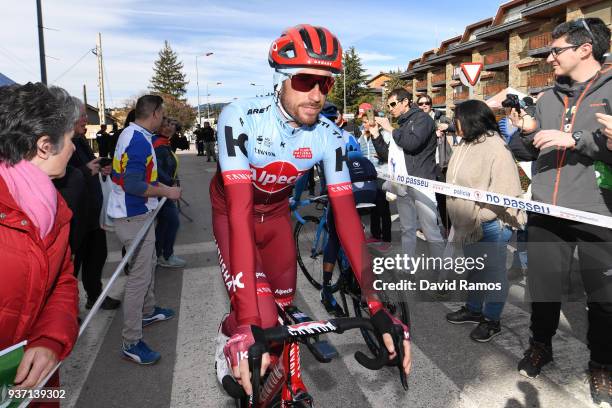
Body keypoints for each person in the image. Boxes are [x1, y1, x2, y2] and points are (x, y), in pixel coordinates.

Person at [211, 24, 411, 396]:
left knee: (285, 310)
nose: (317, 94)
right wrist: (247, 323)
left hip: (274, 218)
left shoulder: (329, 135)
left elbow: (348, 218)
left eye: (327, 83)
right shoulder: (240, 117)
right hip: (233, 216)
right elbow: (239, 213)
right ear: (281, 79)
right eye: (305, 80)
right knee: (262, 318)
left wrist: (375, 304)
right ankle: (228, 332)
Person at [510, 18, 612, 405]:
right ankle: (541, 345)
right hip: (545, 211)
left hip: (597, 211)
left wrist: (577, 139)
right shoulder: (547, 98)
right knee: (544, 287)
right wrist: (524, 132)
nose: (549, 57)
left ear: (585, 48)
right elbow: (527, 153)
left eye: (557, 50)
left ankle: (602, 363)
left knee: (603, 298)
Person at [0, 83, 79, 397]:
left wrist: (49, 340)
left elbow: (63, 280)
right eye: (72, 139)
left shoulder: (55, 208)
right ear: (45, 146)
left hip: (33, 383)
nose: (74, 148)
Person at [108, 95, 181, 365]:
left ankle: (148, 311)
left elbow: (122, 175)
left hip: (136, 214)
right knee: (138, 278)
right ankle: (131, 341)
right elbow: (134, 185)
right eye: (161, 114)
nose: (163, 119)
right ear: (154, 113)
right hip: (133, 216)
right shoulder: (138, 139)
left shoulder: (133, 133)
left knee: (147, 264)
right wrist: (167, 191)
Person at [444, 100, 525, 341]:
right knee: (476, 270)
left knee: (493, 273)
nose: (453, 123)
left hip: (489, 224)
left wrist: (481, 217)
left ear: (470, 119)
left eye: (457, 118)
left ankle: (492, 320)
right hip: (468, 223)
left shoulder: (495, 146)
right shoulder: (466, 143)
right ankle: (474, 309)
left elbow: (505, 191)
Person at [373, 88, 446, 280]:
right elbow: (387, 154)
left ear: (405, 102)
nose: (390, 109)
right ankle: (408, 269)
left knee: (431, 230)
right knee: (407, 229)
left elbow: (412, 144)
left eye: (393, 104)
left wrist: (390, 129)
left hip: (421, 182)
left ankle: (442, 274)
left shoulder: (422, 119)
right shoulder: (403, 123)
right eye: (388, 106)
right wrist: (376, 135)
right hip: (403, 183)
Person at [68, 98, 121, 310]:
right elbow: (56, 179)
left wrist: (100, 168)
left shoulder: (80, 141)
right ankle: (67, 311)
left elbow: (88, 166)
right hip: (73, 217)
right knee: (71, 267)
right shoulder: (59, 144)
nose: (85, 120)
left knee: (97, 256)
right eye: (82, 116)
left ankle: (95, 296)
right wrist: (84, 171)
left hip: (92, 213)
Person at [153, 117, 186, 268]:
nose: (171, 127)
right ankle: (166, 255)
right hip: (162, 190)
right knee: (172, 221)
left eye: (173, 124)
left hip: (163, 189)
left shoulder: (164, 142)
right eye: (168, 124)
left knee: (165, 224)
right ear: (160, 127)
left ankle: (160, 255)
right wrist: (170, 183)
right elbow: (157, 170)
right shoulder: (159, 144)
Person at [357, 103, 392, 244]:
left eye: (366, 122)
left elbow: (390, 155)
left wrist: (382, 157)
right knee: (374, 207)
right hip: (369, 177)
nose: (364, 125)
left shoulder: (384, 134)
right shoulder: (361, 138)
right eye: (363, 122)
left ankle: (387, 238)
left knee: (383, 208)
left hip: (382, 176)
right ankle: (376, 234)